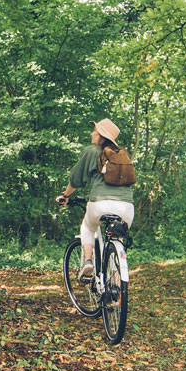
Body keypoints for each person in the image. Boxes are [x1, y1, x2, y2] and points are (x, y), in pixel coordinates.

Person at [56, 118, 134, 277]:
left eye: (95, 131)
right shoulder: (123, 155)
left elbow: (76, 179)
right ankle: (117, 287)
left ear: (102, 136)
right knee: (117, 239)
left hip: (99, 204)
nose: (92, 133)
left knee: (87, 227)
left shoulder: (92, 151)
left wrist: (65, 195)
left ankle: (88, 261)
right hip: (127, 208)